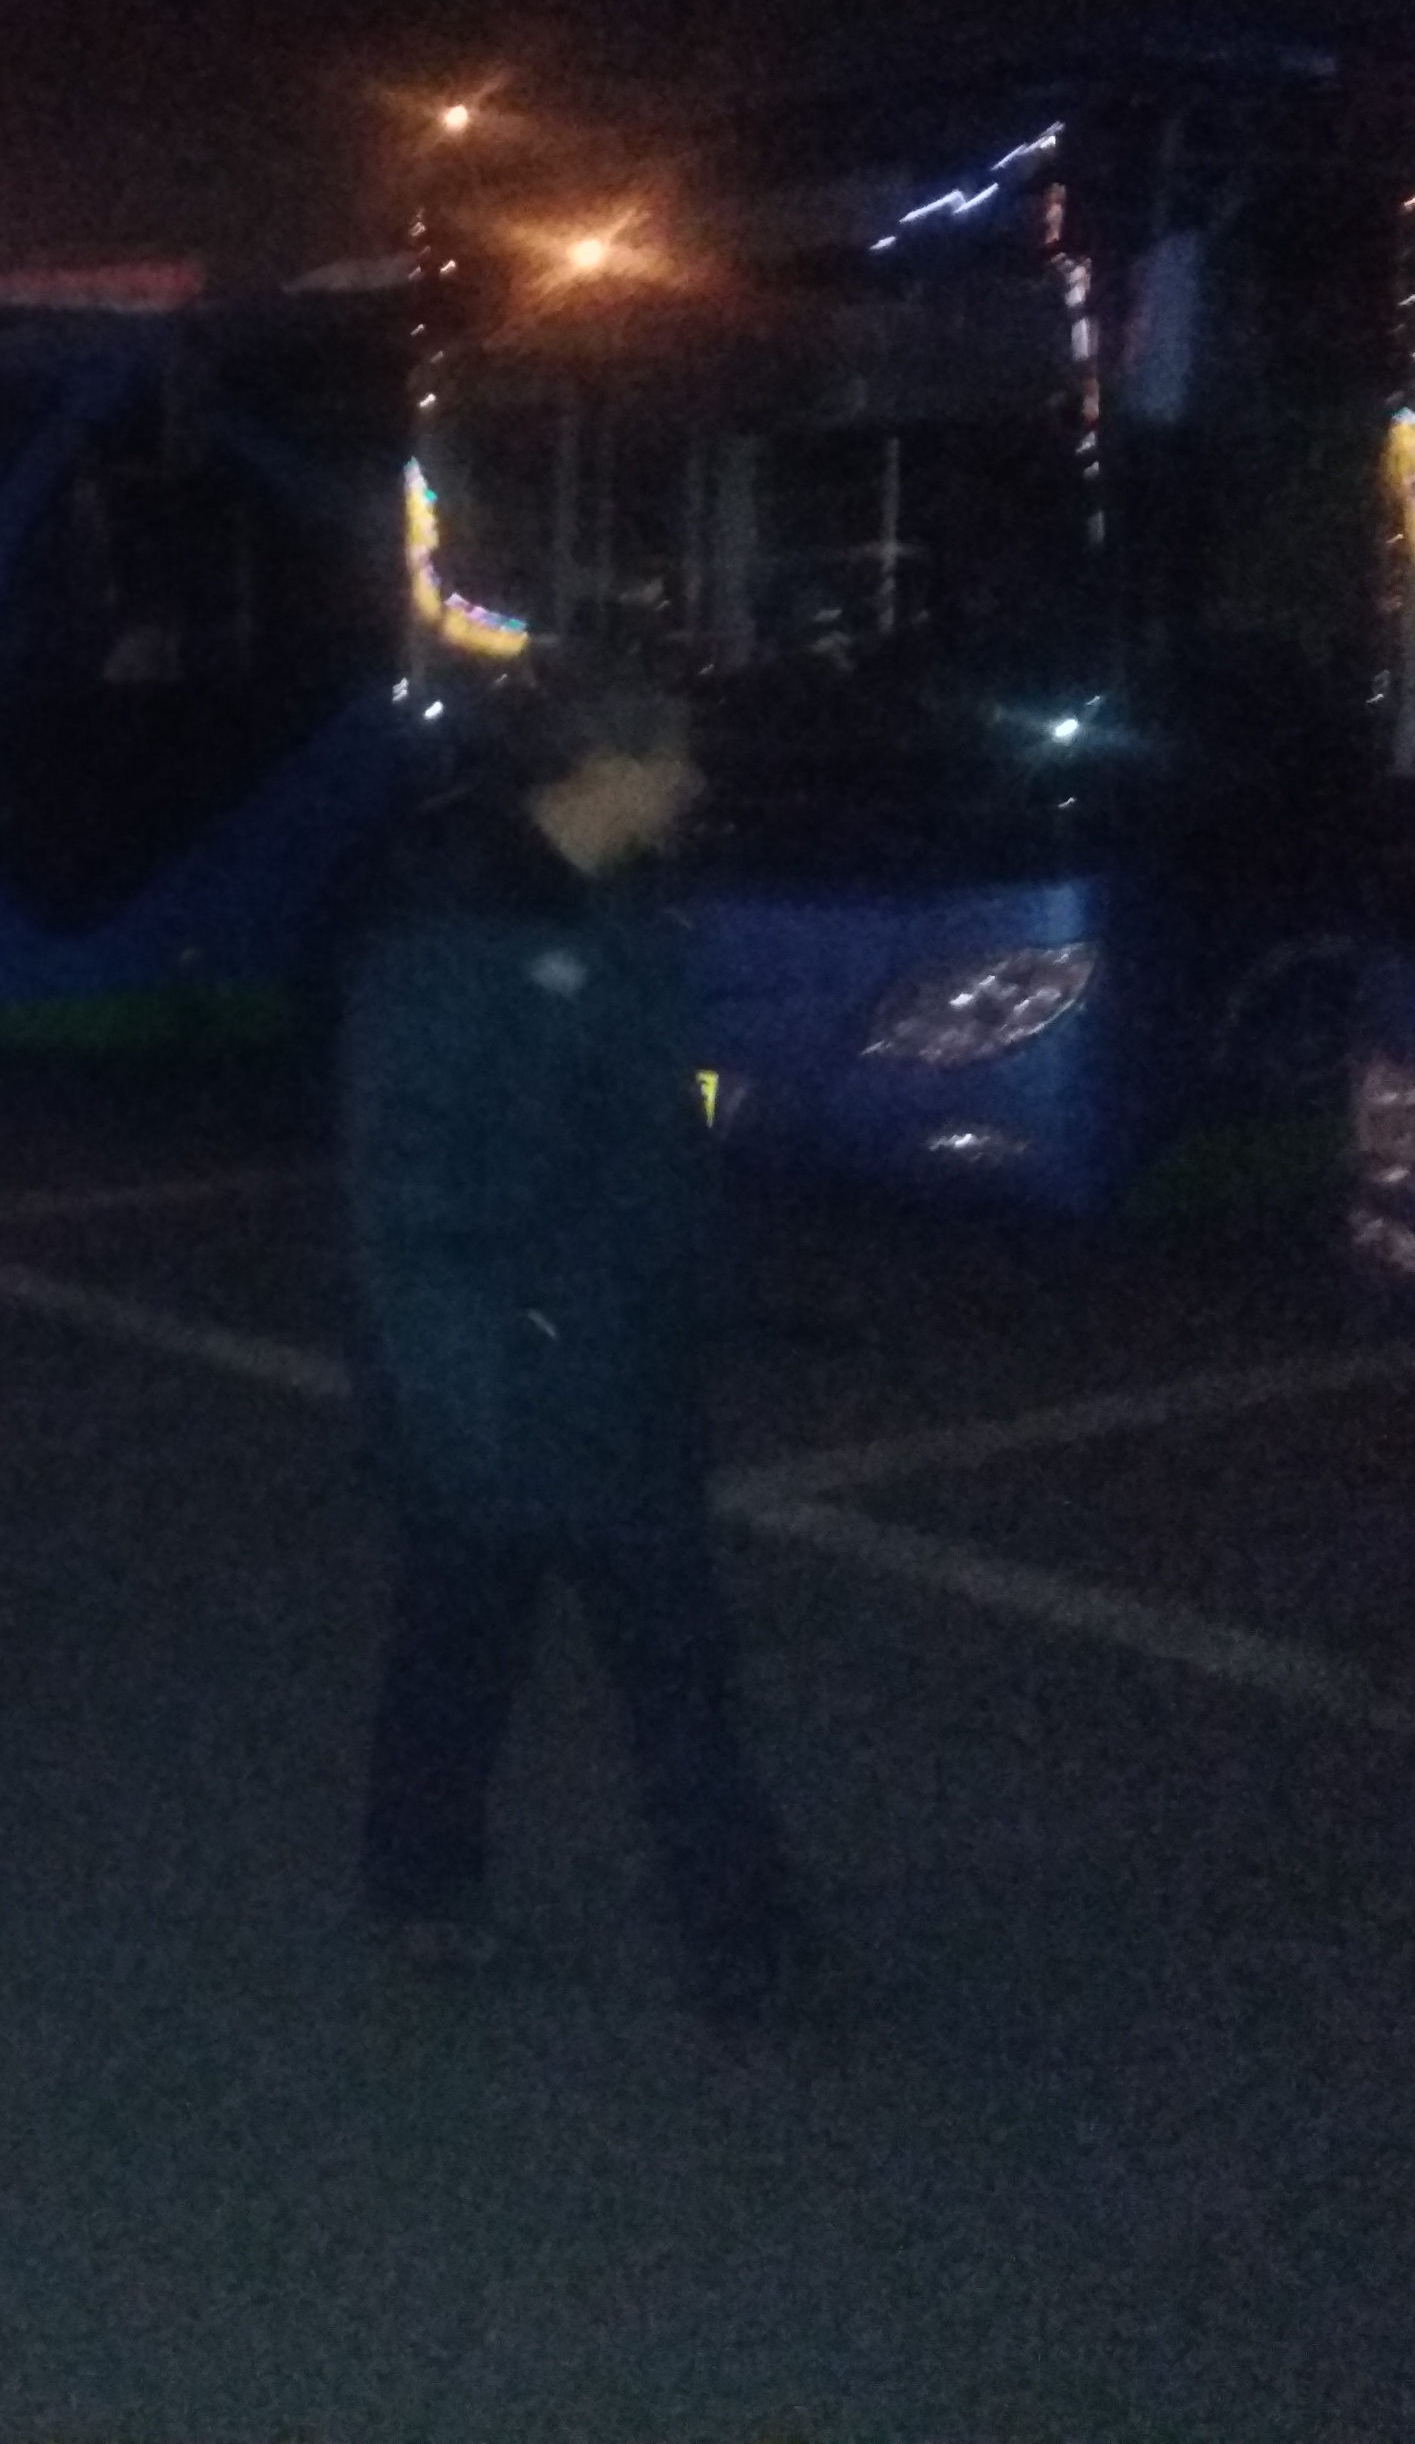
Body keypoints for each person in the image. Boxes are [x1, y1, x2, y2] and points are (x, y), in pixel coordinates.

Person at [336, 658, 807, 2025]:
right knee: (467, 1650)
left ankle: (740, 1938)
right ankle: (426, 1882)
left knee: (670, 1662)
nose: (695, 781)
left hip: (624, 1366)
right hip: (507, 1376)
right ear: (604, 765)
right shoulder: (460, 928)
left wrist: (700, 1137)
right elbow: (412, 1200)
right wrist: (457, 1411)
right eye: (677, 756)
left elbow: (663, 1103)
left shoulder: (624, 911)